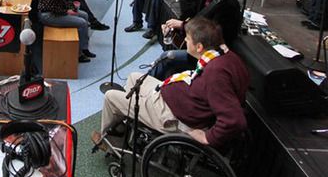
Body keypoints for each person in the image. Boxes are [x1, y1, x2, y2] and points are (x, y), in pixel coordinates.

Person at [95, 17, 249, 149]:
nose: (185, 41)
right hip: (180, 102)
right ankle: (127, 121)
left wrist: (208, 138)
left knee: (111, 96)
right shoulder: (226, 56)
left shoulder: (215, 74)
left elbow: (235, 120)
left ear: (199, 47)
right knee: (133, 77)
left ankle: (106, 141)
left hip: (170, 117)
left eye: (188, 39)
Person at [154, 0, 241, 79]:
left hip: (207, 54)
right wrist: (174, 25)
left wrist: (183, 25)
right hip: (196, 44)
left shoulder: (228, 5)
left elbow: (213, 36)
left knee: (165, 58)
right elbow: (192, 12)